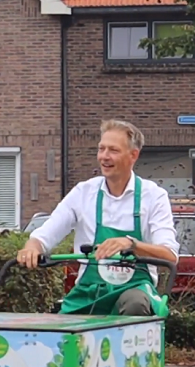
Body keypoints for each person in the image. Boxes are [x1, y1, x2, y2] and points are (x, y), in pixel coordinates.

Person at [17, 119, 180, 316]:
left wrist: (132, 245)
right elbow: (47, 233)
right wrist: (32, 247)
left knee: (134, 303)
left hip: (134, 291)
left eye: (113, 150)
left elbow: (170, 255)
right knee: (59, 334)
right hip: (88, 293)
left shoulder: (154, 196)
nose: (104, 156)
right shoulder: (83, 192)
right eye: (101, 149)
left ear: (133, 155)